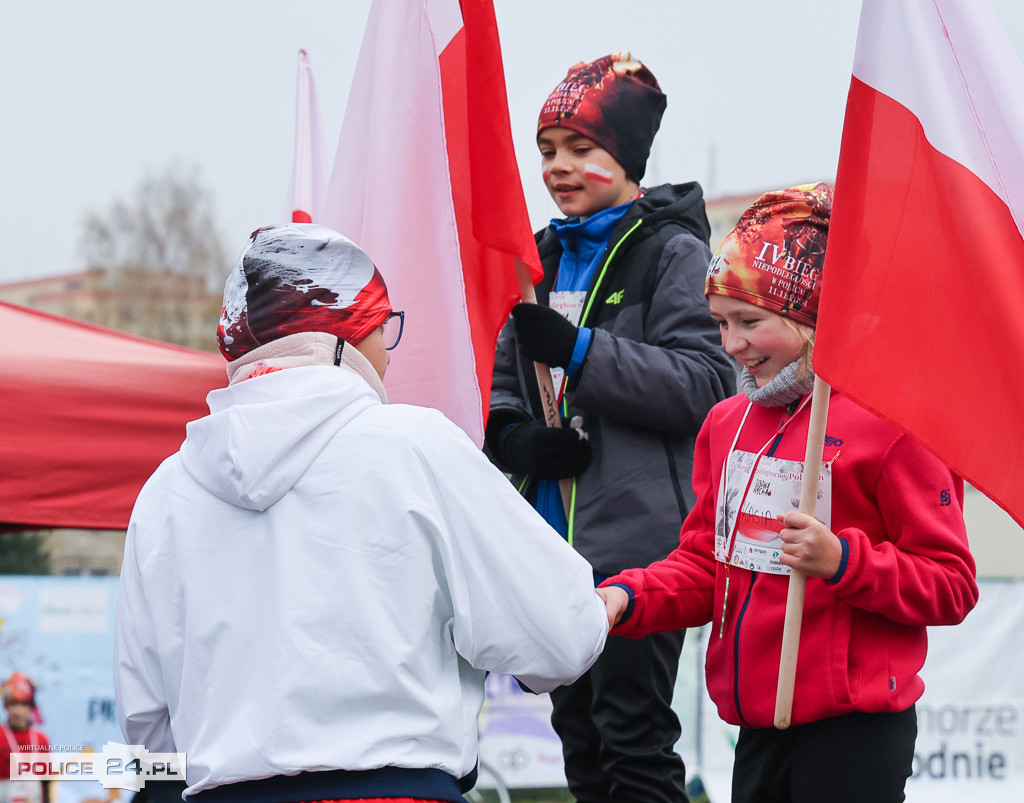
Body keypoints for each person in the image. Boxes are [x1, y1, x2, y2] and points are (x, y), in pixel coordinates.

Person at [114, 223, 610, 803]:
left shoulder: (166, 490)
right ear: (344, 341)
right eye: (383, 330)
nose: (388, 354)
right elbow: (561, 636)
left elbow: (147, 726)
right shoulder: (415, 446)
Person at [597, 184, 979, 803]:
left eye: (750, 322)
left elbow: (952, 584)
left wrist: (844, 562)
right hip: (756, 725)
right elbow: (705, 567)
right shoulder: (727, 422)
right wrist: (626, 597)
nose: (731, 345)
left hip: (854, 731)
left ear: (813, 314)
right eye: (719, 323)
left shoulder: (895, 424)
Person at [485, 52, 734, 803]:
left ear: (625, 157)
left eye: (581, 149)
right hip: (550, 551)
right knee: (583, 745)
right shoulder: (536, 257)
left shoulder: (673, 252)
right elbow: (501, 397)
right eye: (548, 151)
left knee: (633, 738)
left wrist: (584, 353)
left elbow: (707, 383)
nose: (559, 167)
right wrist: (517, 442)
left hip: (639, 552)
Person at [1, 672, 51, 803]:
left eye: (23, 705)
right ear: (6, 706)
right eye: (13, 704)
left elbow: (46, 782)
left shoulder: (40, 739)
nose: (17, 711)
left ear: (31, 707)